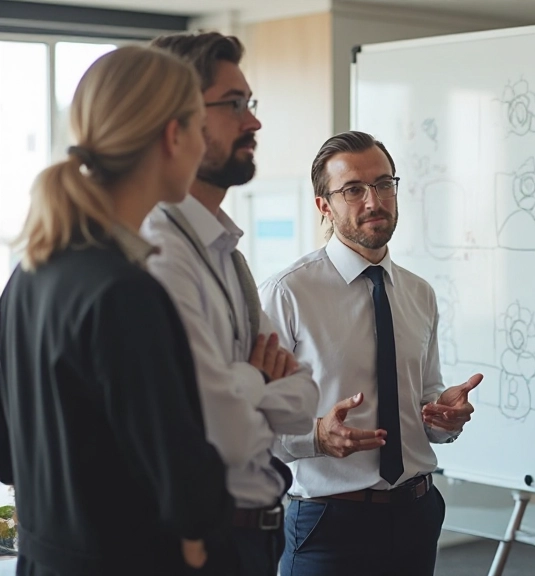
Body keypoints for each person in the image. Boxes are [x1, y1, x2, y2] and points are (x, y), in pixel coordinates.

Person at [0, 45, 232, 575]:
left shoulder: (31, 272)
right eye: (199, 126)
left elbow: (6, 450)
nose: (203, 145)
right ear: (173, 136)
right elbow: (190, 493)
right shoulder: (124, 294)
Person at [260, 131, 482, 576]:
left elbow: (426, 405)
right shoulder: (288, 294)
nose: (373, 201)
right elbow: (253, 426)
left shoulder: (419, 293)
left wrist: (443, 419)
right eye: (353, 190)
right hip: (328, 522)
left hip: (416, 514)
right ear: (324, 205)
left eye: (384, 184)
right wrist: (315, 438)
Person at [141, 32, 320, 576]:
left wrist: (248, 387)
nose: (254, 122)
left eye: (251, 103)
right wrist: (259, 383)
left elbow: (302, 400)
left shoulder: (225, 252)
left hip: (255, 539)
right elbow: (221, 433)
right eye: (234, 104)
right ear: (177, 116)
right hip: (201, 543)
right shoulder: (158, 251)